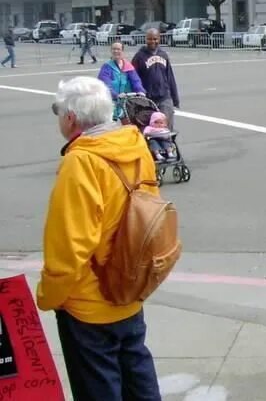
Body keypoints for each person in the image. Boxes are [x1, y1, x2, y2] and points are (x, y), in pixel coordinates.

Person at [38, 76, 161, 400]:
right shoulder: (135, 146)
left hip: (89, 304)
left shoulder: (81, 162)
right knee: (138, 375)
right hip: (130, 287)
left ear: (70, 118)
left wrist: (48, 295)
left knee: (98, 387)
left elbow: (68, 246)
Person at [132, 28, 180, 129]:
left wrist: (175, 99)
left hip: (164, 97)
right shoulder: (139, 57)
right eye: (150, 39)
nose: (153, 41)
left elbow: (170, 77)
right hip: (147, 99)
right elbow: (133, 78)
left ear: (159, 39)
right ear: (146, 39)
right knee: (150, 129)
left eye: (155, 39)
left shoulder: (163, 55)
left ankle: (168, 144)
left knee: (166, 128)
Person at [98, 42, 145, 120]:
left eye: (118, 49)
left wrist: (140, 90)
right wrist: (115, 95)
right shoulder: (107, 67)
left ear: (122, 51)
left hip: (126, 102)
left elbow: (135, 80)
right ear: (111, 51)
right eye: (114, 49)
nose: (116, 51)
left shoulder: (128, 66)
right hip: (110, 103)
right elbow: (105, 83)